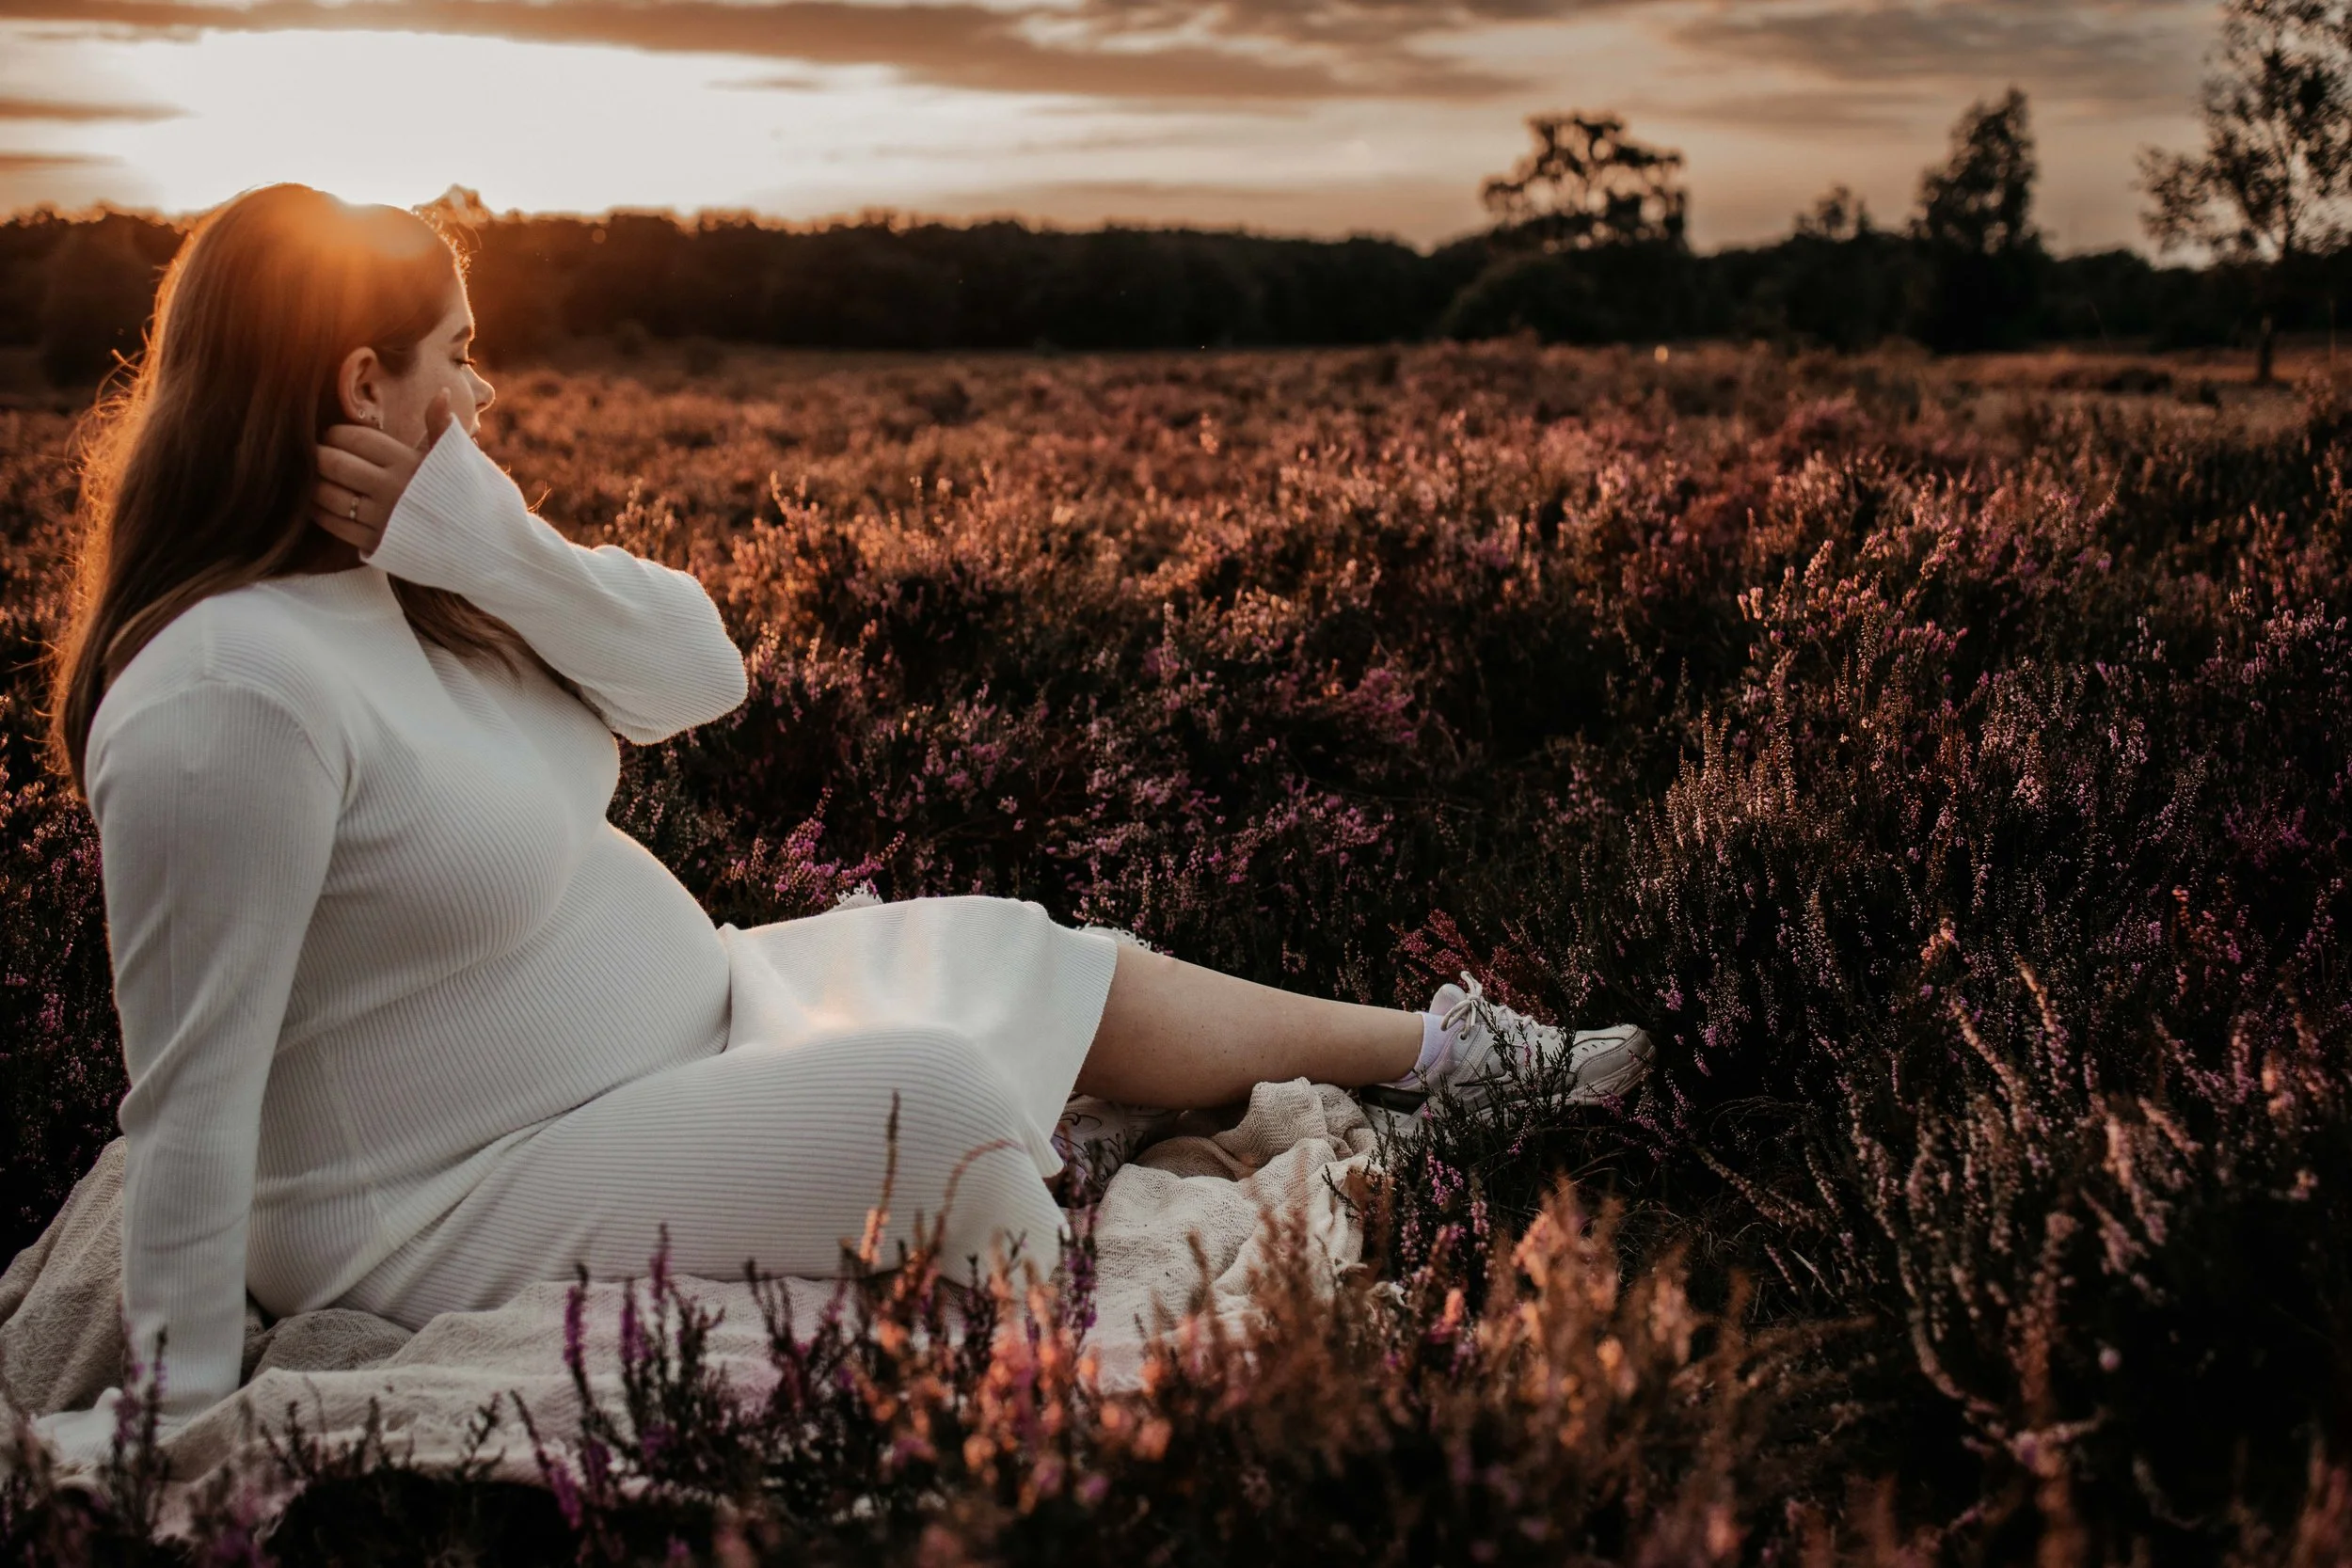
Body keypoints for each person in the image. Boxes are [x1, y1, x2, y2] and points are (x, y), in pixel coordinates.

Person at [27, 183, 1652, 1463]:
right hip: (443, 1201)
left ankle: (1450, 1058)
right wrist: (178, 1414)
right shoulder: (225, 693)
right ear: (360, 380)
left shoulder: (421, 579)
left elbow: (697, 672)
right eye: (458, 350)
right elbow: (190, 1094)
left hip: (683, 1031)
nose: (487, 381)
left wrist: (489, 538)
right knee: (939, 1096)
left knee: (1027, 953)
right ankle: (1054, 1374)